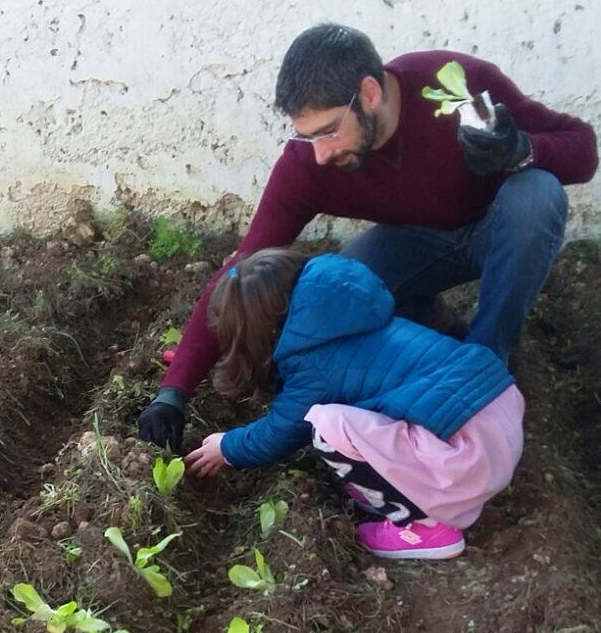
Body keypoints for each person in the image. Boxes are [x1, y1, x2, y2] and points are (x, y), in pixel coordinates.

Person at [138, 24, 597, 454]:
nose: (320, 153)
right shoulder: (307, 164)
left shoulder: (455, 85)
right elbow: (244, 265)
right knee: (339, 296)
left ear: (370, 94)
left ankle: (485, 361)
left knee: (537, 193)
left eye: (328, 131)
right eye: (306, 136)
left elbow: (582, 147)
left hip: (499, 229)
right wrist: (173, 391)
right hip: (414, 245)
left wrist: (520, 150)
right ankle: (427, 324)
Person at [184, 247, 524, 559]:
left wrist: (227, 447)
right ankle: (415, 490)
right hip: (499, 417)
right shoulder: (345, 311)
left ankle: (423, 528)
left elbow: (281, 431)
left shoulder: (313, 362)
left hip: (468, 458)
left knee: (326, 426)